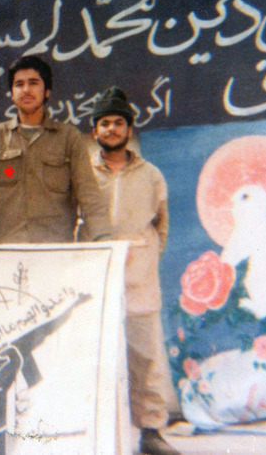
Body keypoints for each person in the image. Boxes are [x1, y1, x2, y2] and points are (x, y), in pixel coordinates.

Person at [86, 86, 178, 454]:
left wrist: (143, 258)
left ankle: (151, 433)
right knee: (95, 357)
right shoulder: (83, 172)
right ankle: (97, 434)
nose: (111, 129)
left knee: (145, 358)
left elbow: (162, 227)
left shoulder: (151, 175)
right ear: (95, 130)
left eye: (118, 123)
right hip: (96, 282)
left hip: (140, 282)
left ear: (129, 129)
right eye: (104, 123)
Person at [0, 55, 111, 245]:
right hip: (9, 250)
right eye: (19, 84)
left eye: (33, 83)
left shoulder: (68, 137)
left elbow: (89, 195)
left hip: (56, 251)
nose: (26, 90)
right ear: (12, 93)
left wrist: (105, 239)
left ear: (47, 91)